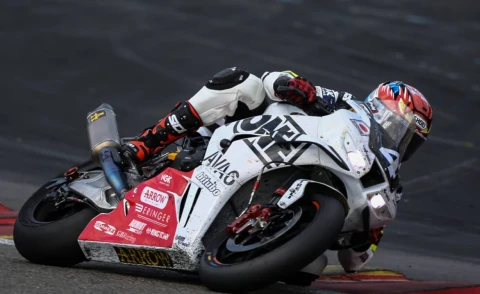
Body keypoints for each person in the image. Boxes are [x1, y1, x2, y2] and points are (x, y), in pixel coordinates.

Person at [120, 67, 433, 276]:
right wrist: (292, 85)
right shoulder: (346, 105)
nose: (398, 139)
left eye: (408, 139)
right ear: (375, 106)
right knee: (244, 82)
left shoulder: (390, 186)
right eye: (396, 126)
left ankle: (253, 243)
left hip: (303, 207)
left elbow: (354, 263)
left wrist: (366, 236)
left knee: (311, 268)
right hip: (267, 140)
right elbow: (276, 79)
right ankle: (145, 144)